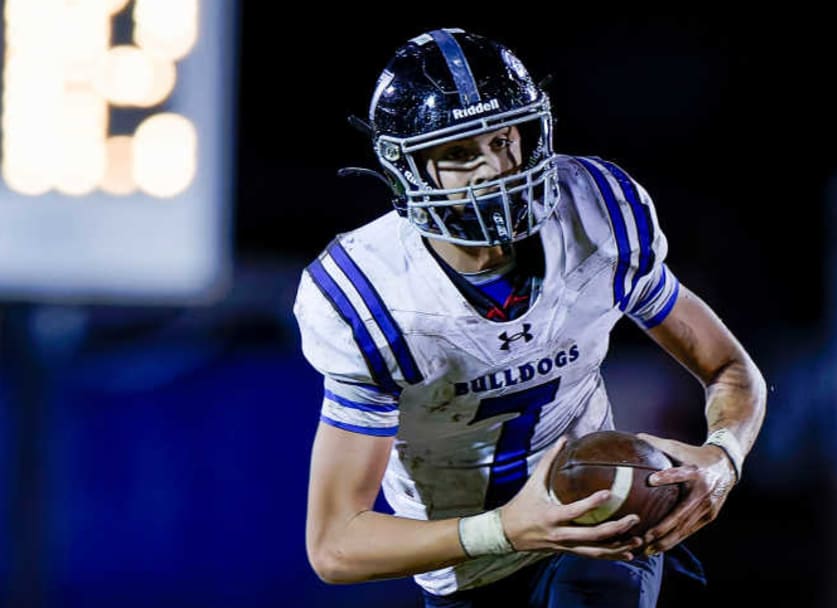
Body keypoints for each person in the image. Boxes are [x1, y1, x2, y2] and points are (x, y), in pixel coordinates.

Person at [293, 27, 767, 607]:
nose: (496, 169)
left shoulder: (597, 214)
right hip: (467, 563)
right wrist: (506, 529)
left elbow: (729, 370)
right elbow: (335, 546)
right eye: (461, 153)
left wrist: (725, 457)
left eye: (504, 139)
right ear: (407, 170)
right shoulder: (371, 294)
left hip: (600, 521)